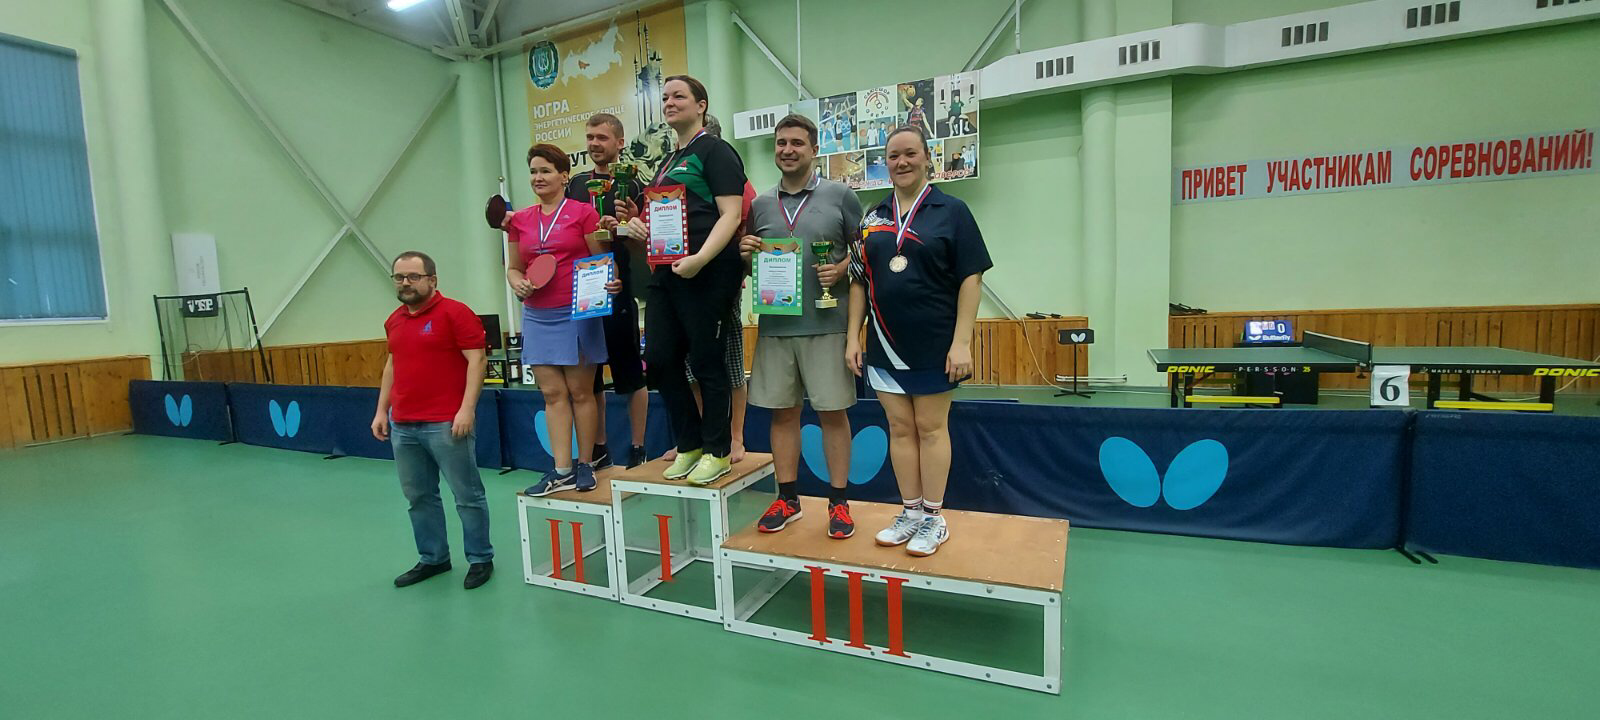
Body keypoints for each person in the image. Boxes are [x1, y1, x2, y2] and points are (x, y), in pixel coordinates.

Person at [845, 126, 991, 557]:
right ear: (885, 163)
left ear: (928, 158)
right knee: (900, 428)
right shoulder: (872, 217)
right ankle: (910, 512)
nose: (902, 162)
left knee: (930, 428)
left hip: (935, 343)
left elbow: (971, 278)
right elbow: (858, 281)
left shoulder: (953, 211)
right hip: (884, 345)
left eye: (910, 153)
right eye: (893, 156)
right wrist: (853, 336)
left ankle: (934, 518)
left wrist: (962, 342)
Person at [739, 114, 862, 539]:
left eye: (796, 143)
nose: (787, 150)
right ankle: (787, 499)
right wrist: (745, 253)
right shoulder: (760, 205)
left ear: (814, 149)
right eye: (781, 143)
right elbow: (753, 265)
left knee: (833, 414)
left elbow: (866, 254)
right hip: (776, 329)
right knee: (782, 414)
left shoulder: (841, 196)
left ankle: (839, 503)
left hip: (828, 325)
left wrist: (840, 268)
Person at [626, 75, 747, 485]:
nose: (669, 102)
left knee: (707, 360)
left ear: (701, 105)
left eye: (679, 96)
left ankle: (718, 450)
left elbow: (730, 214)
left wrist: (700, 259)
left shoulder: (715, 151)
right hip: (667, 271)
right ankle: (690, 443)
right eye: (665, 97)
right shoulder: (666, 162)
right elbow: (665, 215)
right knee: (660, 359)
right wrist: (640, 227)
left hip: (708, 270)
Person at [371, 251, 494, 589]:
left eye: (413, 276)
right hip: (403, 425)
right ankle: (434, 558)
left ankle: (480, 558)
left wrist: (466, 409)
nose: (405, 283)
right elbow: (392, 366)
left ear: (432, 280)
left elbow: (477, 361)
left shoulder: (456, 313)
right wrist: (382, 411)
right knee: (418, 497)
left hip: (446, 423)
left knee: (467, 495)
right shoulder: (394, 320)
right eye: (399, 277)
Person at [507, 144, 618, 496]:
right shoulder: (519, 221)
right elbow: (513, 267)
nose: (538, 178)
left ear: (564, 176)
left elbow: (602, 259)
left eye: (546, 171)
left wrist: (611, 281)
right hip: (537, 315)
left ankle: (586, 464)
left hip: (577, 312)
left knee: (581, 392)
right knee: (552, 394)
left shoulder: (583, 213)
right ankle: (561, 469)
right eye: (533, 171)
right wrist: (517, 283)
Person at [567, 113, 649, 469]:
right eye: (590, 137)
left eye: (602, 137)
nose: (594, 144)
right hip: (584, 291)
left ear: (619, 142)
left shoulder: (634, 185)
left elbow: (643, 245)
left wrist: (626, 227)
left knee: (629, 372)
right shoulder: (575, 184)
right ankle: (599, 449)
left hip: (619, 288)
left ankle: (638, 448)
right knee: (590, 377)